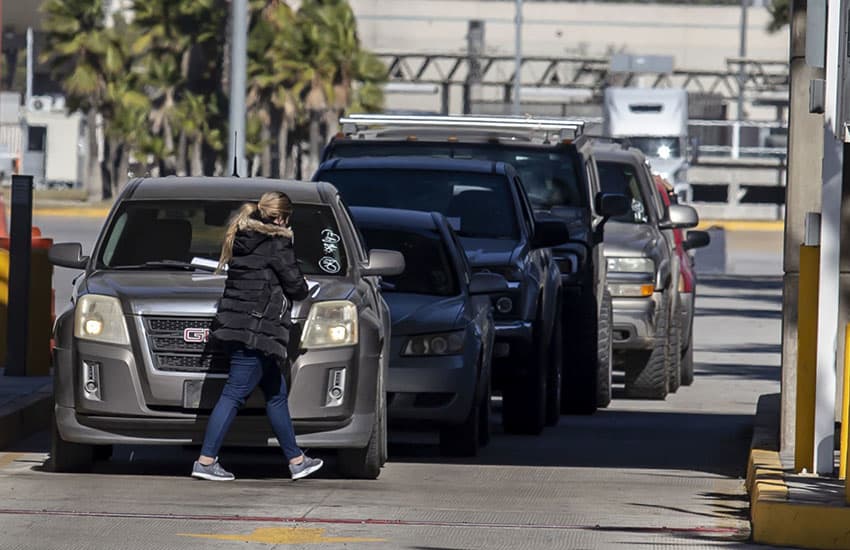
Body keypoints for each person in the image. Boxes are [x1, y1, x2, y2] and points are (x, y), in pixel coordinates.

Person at [192, 191, 323, 482]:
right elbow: (296, 286)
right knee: (234, 394)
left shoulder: (243, 239)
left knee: (276, 395)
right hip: (256, 331)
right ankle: (205, 460)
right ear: (281, 217)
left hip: (238, 325)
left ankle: (297, 460)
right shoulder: (277, 243)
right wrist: (305, 289)